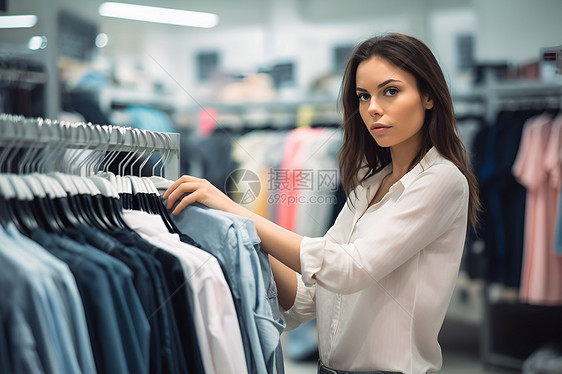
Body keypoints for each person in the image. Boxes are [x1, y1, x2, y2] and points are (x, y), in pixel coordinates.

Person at [163, 33, 480, 374]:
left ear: (428, 95)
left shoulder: (443, 180)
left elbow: (348, 270)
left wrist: (234, 209)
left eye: (391, 91)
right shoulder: (368, 184)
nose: (373, 108)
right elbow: (308, 299)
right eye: (363, 96)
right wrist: (238, 233)